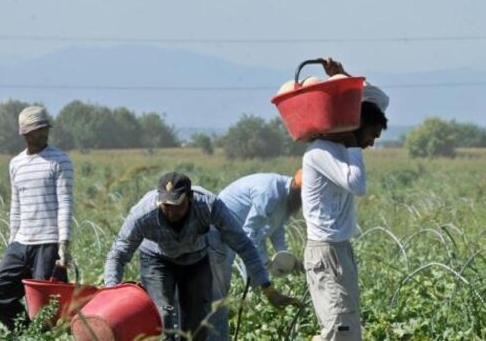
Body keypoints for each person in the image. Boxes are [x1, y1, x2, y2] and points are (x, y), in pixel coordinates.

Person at [104, 171, 302, 341]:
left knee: (197, 326)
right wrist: (110, 296)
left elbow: (243, 244)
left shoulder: (208, 205)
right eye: (165, 205)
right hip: (157, 260)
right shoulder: (143, 214)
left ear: (189, 199)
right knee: (164, 315)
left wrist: (267, 288)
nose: (170, 211)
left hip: (195, 260)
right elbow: (118, 253)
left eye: (176, 205)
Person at [303, 58, 388, 341]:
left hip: (340, 249)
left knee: (348, 327)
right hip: (326, 251)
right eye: (372, 135)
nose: (372, 143)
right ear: (356, 125)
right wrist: (353, 145)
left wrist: (344, 77)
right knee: (339, 329)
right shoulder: (321, 151)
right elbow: (357, 184)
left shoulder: (338, 148)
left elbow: (379, 100)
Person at [0, 106, 74, 332]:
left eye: (45, 128)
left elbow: (65, 203)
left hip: (48, 243)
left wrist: (63, 244)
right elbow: (16, 206)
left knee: (46, 309)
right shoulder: (16, 164)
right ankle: (27, 335)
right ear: (24, 133)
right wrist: (12, 241)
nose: (42, 134)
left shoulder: (59, 160)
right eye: (37, 130)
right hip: (21, 243)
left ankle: (42, 335)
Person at [207, 171, 304, 341]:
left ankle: (249, 312)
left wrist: (287, 258)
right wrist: (265, 263)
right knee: (218, 290)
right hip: (219, 231)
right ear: (298, 189)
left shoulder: (285, 198)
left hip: (238, 231)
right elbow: (249, 234)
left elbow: (277, 230)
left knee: (250, 281)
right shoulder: (271, 193)